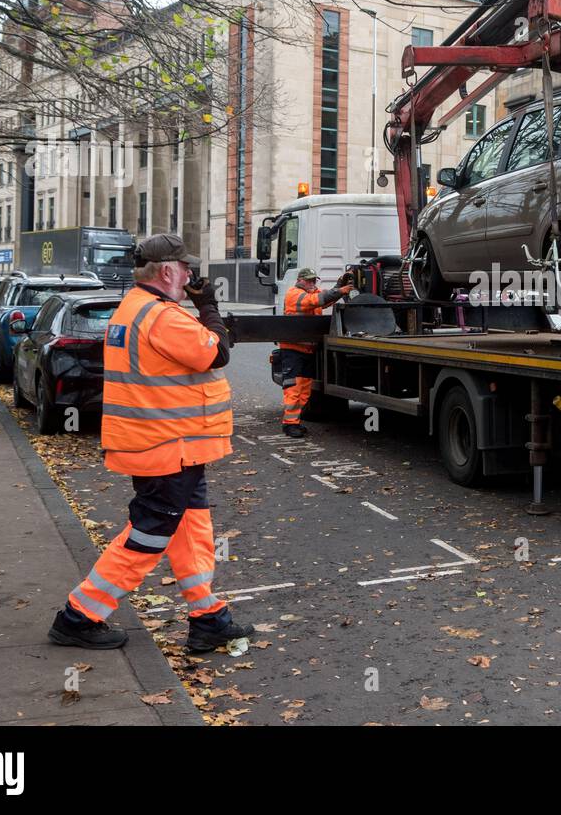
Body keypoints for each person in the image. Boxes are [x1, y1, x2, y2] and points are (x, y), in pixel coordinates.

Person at [47, 233, 253, 653]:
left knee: (192, 527)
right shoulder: (163, 316)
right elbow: (215, 352)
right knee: (150, 533)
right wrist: (209, 306)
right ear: (166, 271)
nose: (192, 275)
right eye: (186, 268)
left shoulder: (136, 308)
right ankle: (79, 616)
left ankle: (207, 616)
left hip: (170, 445)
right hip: (167, 447)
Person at [280, 267, 353, 437]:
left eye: (314, 280)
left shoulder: (310, 293)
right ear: (300, 280)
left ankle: (295, 422)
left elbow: (326, 298)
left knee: (304, 390)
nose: (313, 283)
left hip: (306, 350)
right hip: (293, 351)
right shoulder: (294, 294)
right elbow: (317, 300)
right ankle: (289, 424)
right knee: (294, 388)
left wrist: (339, 287)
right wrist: (341, 290)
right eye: (310, 280)